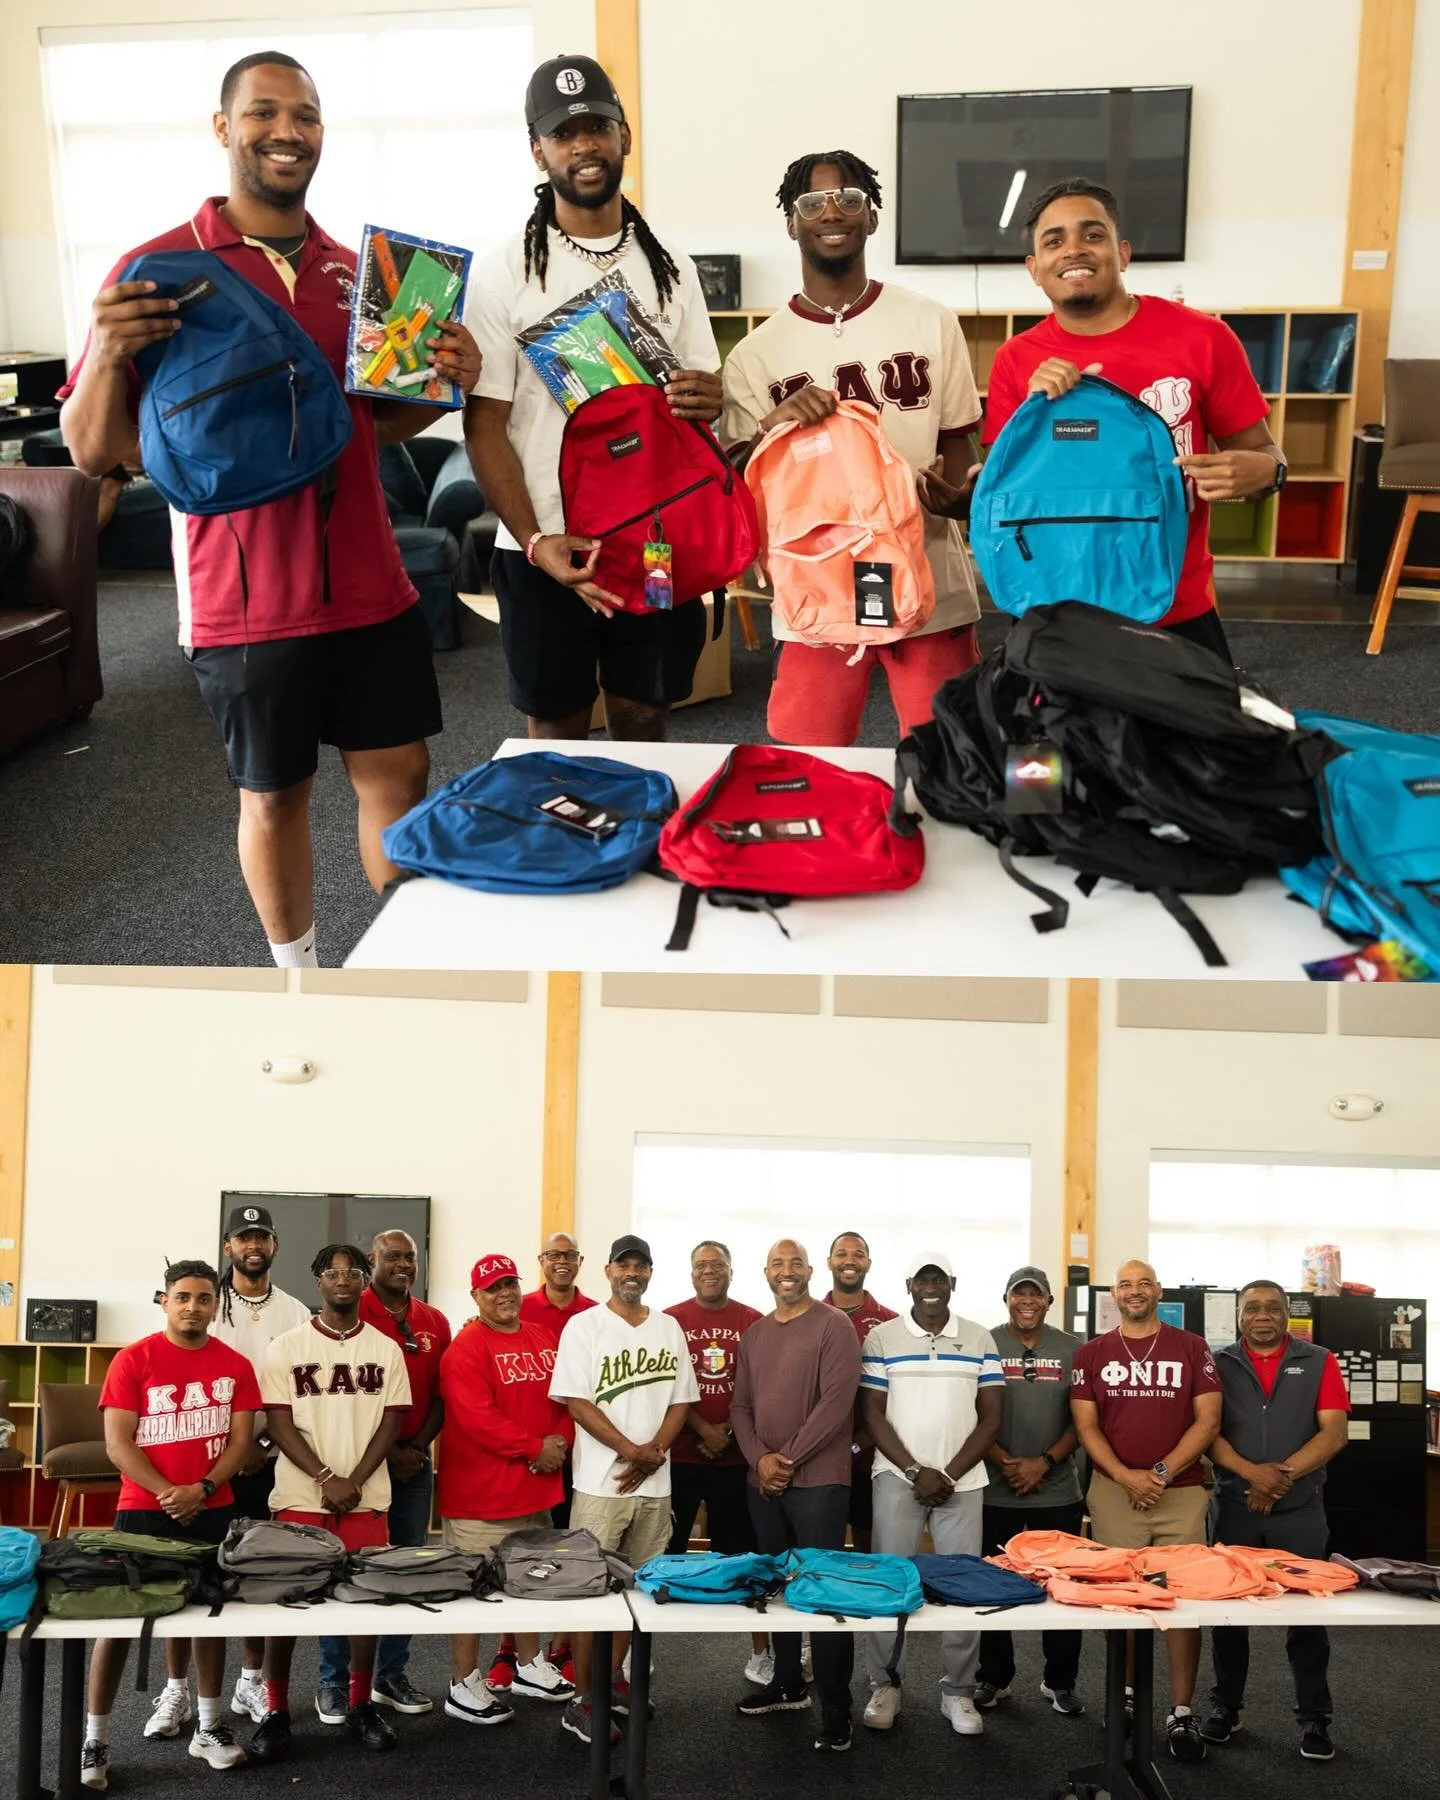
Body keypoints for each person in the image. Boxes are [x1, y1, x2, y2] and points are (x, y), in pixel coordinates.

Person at [57, 51, 481, 968]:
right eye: (264, 113)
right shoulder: (159, 268)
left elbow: (376, 423)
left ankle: (405, 967)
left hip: (373, 584)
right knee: (273, 796)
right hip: (244, 599)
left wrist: (446, 385)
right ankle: (299, 982)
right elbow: (95, 450)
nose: (287, 132)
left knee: (399, 777)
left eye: (308, 115)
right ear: (224, 128)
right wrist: (101, 353)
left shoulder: (361, 274)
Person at [464, 54, 723, 743]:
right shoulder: (501, 274)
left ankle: (643, 852)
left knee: (647, 717)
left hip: (654, 539)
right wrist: (535, 538)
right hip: (547, 546)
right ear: (538, 150)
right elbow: (485, 426)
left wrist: (708, 397)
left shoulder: (672, 267)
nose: (584, 144)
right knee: (556, 731)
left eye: (598, 127)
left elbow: (702, 400)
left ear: (624, 136)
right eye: (564, 132)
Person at [721, 150, 984, 746]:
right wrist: (771, 427)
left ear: (871, 216)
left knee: (952, 754)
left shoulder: (930, 321)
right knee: (809, 755)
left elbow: (959, 443)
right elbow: (736, 482)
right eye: (811, 202)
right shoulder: (755, 354)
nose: (831, 211)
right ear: (792, 223)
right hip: (816, 585)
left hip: (929, 575)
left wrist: (964, 498)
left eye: (849, 198)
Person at [983, 177, 1285, 662]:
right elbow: (1004, 493)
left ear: (1123, 253)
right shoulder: (1016, 361)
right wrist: (1037, 415)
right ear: (1034, 268)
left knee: (1193, 739)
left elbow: (1264, 455)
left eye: (1093, 234)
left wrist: (1267, 473)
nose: (1074, 250)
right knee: (1048, 741)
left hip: (1175, 608)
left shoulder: (1205, 339)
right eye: (1054, 241)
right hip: (1050, 607)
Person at [81, 1259, 261, 1791]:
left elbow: (241, 1443)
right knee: (120, 1622)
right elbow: (119, 1443)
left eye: (204, 1298)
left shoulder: (235, 1364)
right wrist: (168, 1494)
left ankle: (208, 1727)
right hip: (143, 1508)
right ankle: (96, 1738)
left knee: (209, 1617)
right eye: (182, 1297)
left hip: (212, 1508)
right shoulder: (133, 1359)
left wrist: (201, 1490)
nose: (193, 1307)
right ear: (164, 1300)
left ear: (215, 1305)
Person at [252, 1244, 411, 1760]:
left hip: (365, 1498)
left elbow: (392, 1421)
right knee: (287, 1608)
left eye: (352, 1273)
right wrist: (324, 1476)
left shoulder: (386, 1347)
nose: (342, 1280)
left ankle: (362, 1703)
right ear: (317, 1281)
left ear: (365, 1281)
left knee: (363, 1606)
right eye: (332, 1272)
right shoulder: (287, 1346)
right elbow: (277, 1421)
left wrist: (354, 1480)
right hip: (300, 1495)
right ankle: (276, 1710)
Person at [1070, 1259, 1222, 1763]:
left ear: (1158, 1290)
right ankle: (1127, 1697)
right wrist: (1126, 1476)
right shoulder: (1092, 1353)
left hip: (1179, 1491)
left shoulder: (1192, 1347)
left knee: (1182, 1603)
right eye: (1125, 1285)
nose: (1135, 1291)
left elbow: (1208, 1421)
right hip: (1115, 1491)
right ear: (1114, 1295)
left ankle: (1181, 1711)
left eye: (1144, 1283)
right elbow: (1087, 1428)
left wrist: (1157, 1474)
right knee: (1124, 1600)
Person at [548, 1234, 698, 1745]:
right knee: (594, 1597)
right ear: (608, 1271)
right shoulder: (583, 1325)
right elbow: (577, 1403)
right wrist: (632, 1452)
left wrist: (652, 1451)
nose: (632, 1273)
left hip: (656, 1486)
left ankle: (611, 1683)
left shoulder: (669, 1326)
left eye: (641, 1265)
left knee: (636, 1594)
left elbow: (682, 1401)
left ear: (651, 1272)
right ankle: (580, 1700)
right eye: (623, 1265)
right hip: (599, 1486)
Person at [1202, 1279, 1350, 1762]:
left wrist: (1280, 1478)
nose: (1261, 1315)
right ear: (1239, 1316)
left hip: (1300, 1512)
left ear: (1287, 1313)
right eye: (1252, 1308)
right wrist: (1251, 1476)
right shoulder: (1217, 1363)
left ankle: (1314, 1719)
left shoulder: (1319, 1360)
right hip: (1235, 1508)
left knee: (1307, 1617)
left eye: (1272, 1307)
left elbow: (1334, 1433)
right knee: (1228, 1615)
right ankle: (1226, 1707)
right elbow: (1208, 1432)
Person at [858, 1253, 1003, 1738]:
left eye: (939, 1278)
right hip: (898, 1479)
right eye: (922, 1279)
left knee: (965, 1589)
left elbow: (992, 1417)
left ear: (953, 1283)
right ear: (909, 1285)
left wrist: (949, 1473)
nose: (931, 1286)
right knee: (889, 1585)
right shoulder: (883, 1337)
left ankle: (958, 1691)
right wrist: (917, 1470)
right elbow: (873, 1414)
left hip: (963, 1483)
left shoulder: (979, 1338)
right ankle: (885, 1684)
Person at [311, 1230, 451, 1719]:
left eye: (410, 1257)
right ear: (373, 1262)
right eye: (392, 1256)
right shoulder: (349, 1310)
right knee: (345, 1572)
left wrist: (416, 1449)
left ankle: (390, 1675)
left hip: (413, 1466)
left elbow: (439, 1395)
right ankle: (334, 1677)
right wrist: (389, 1451)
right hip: (361, 1468)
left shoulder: (434, 1320)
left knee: (404, 1571)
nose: (403, 1264)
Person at [731, 1238, 862, 1753]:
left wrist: (784, 1461)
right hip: (763, 1484)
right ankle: (787, 1683)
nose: (786, 1272)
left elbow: (837, 1402)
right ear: (765, 1273)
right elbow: (740, 1407)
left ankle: (836, 1708)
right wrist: (759, 1460)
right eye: (777, 1264)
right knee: (774, 1589)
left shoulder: (835, 1325)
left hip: (819, 1484)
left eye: (795, 1263)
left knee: (824, 1596)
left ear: (810, 1271)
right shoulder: (756, 1334)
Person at [438, 1253, 575, 1725]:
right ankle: (463, 1684)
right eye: (493, 1287)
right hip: (481, 1498)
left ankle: (529, 1666)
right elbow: (478, 1419)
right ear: (476, 1296)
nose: (504, 1294)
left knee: (531, 1581)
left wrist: (559, 1443)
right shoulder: (465, 1349)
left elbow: (568, 1396)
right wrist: (536, 1447)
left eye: (510, 1284)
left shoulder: (543, 1336)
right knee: (475, 1594)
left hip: (535, 1490)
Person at [209, 1203, 312, 1728]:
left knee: (263, 1574)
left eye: (262, 1238)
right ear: (228, 1246)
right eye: (243, 1238)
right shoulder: (206, 1304)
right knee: (203, 1573)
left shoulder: (294, 1311)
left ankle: (251, 1681)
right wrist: (234, 1448)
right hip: (209, 1462)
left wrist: (261, 1446)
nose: (253, 1246)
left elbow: (296, 1390)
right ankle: (181, 1690)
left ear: (274, 1247)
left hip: (273, 1460)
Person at [976, 1266, 1085, 1717]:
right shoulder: (985, 1343)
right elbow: (972, 1413)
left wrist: (1044, 1463)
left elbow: (1084, 1420)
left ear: (1048, 1302)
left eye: (1035, 1295)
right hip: (995, 1489)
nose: (1027, 1302)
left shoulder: (1074, 1350)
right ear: (1005, 1299)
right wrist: (1005, 1462)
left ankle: (1060, 1681)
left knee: (1064, 1590)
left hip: (1057, 1490)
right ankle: (994, 1677)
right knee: (991, 1588)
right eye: (1018, 1294)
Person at [663, 1240, 768, 1682]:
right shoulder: (669, 1320)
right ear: (691, 1274)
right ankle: (638, 1651)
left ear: (731, 1271)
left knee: (743, 1562)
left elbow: (763, 1386)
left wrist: (725, 1429)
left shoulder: (754, 1321)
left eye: (718, 1264)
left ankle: (762, 1653)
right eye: (702, 1265)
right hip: (680, 1459)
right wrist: (701, 1428)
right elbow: (663, 1383)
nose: (710, 1271)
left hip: (735, 1459)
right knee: (667, 1557)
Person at [498, 1229, 596, 1691]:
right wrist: (538, 1450)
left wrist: (560, 1444)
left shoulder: (595, 1313)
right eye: (553, 1255)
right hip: (528, 1456)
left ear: (580, 1261)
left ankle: (561, 1645)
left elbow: (587, 1391)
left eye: (569, 1255)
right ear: (540, 1260)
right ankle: (509, 1650)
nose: (561, 1261)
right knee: (522, 1552)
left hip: (578, 1450)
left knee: (567, 1550)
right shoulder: (519, 1306)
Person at [823, 1231, 897, 1553]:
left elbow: (899, 1394)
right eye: (842, 1254)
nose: (849, 1261)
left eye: (857, 1254)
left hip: (873, 1457)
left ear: (868, 1263)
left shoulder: (891, 1323)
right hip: (821, 1457)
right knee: (824, 1546)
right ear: (829, 1262)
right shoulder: (808, 1316)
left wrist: (861, 1442)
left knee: (871, 1547)